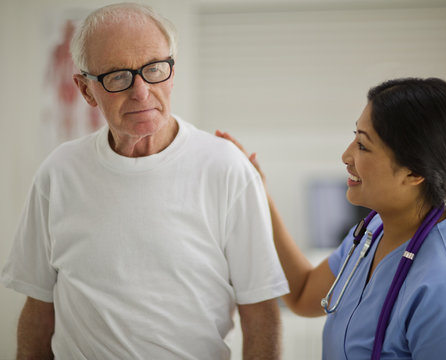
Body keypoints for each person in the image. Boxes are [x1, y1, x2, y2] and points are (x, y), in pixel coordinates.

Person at [1, 3, 288, 359]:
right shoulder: (58, 173)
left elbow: (260, 314)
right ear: (86, 89)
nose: (140, 92)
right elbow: (38, 308)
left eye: (154, 69)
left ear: (172, 71)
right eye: (118, 76)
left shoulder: (227, 168)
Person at [217, 77, 446, 359]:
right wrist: (258, 191)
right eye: (354, 137)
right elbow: (304, 294)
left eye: (363, 145)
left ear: (414, 173)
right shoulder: (373, 231)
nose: (346, 156)